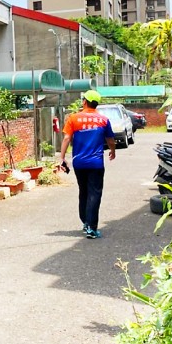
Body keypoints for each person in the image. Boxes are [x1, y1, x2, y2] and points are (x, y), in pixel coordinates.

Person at [58, 89, 116, 239]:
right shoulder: (103, 120)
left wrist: (62, 158)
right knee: (94, 194)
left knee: (83, 191)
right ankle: (91, 227)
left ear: (84, 101)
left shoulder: (73, 118)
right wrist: (112, 151)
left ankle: (85, 221)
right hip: (96, 163)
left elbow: (66, 139)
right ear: (96, 104)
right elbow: (110, 140)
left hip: (79, 163)